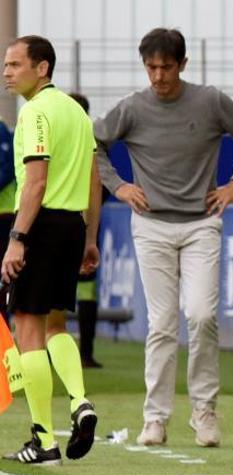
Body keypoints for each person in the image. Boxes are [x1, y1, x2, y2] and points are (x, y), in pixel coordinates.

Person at [93, 28, 233, 448]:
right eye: (150, 67)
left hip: (201, 222)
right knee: (162, 324)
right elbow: (94, 142)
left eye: (166, 67)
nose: (158, 76)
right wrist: (118, 186)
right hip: (150, 225)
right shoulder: (132, 108)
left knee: (202, 315)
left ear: (182, 65)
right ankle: (155, 418)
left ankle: (204, 412)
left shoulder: (209, 101)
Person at [1, 35, 101, 465]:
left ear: (42, 68)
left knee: (27, 329)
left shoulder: (35, 113)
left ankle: (44, 441)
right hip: (72, 226)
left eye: (16, 64)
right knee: (56, 324)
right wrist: (91, 236)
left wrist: (17, 239)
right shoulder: (77, 113)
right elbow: (95, 180)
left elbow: (36, 182)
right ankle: (79, 401)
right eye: (6, 65)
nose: (7, 72)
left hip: (40, 226)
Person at [67, 92, 104, 369]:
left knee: (52, 301)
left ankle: (44, 353)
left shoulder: (58, 137)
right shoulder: (94, 142)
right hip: (88, 224)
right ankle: (86, 354)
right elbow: (101, 187)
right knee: (87, 290)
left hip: (58, 221)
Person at [0, 116, 14, 316]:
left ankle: (4, 344)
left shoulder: (1, 128)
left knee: (3, 280)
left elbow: (8, 169)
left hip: (4, 214)